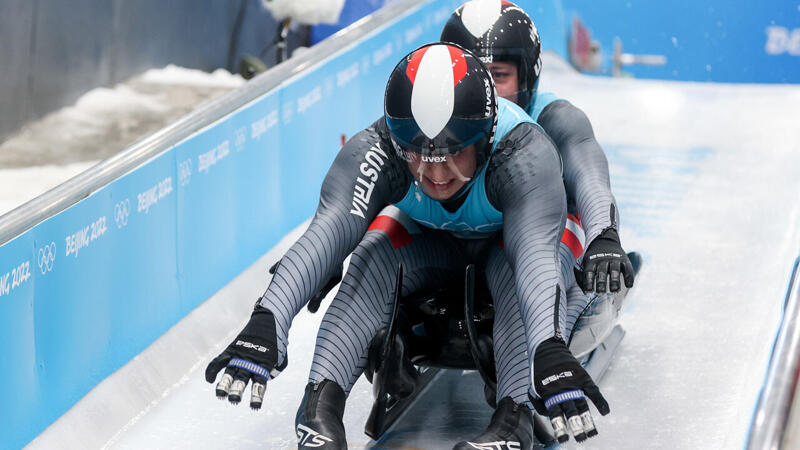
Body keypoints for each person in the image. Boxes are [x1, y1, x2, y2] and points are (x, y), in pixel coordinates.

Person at [205, 42, 609, 449]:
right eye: (418, 151)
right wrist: (267, 320)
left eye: (453, 151)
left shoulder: (522, 153)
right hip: (430, 245)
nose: (435, 171)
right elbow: (326, 230)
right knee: (371, 249)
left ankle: (514, 418)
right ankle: (319, 409)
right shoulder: (377, 145)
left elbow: (534, 262)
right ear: (398, 139)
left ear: (484, 140)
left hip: (505, 248)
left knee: (535, 267)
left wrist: (549, 349)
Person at [437, 1, 637, 445]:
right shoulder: (431, 125)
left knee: (533, 249)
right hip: (456, 254)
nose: (484, 92)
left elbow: (587, 172)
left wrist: (604, 233)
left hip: (534, 259)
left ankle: (521, 402)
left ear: (528, 79)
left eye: (499, 76)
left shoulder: (557, 117)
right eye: (473, 74)